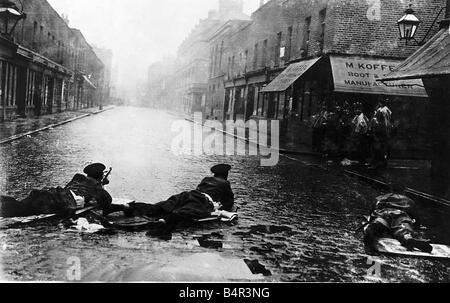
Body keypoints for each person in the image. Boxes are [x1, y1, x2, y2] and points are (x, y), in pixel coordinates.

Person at [124, 164, 235, 227]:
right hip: (203, 200)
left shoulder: (207, 179)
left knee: (166, 204)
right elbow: (229, 203)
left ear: (214, 174)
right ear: (226, 175)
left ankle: (131, 207)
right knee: (186, 212)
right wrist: (219, 207)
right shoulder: (225, 183)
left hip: (189, 194)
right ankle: (165, 221)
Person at [0, 163, 126, 218]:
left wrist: (98, 183)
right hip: (57, 202)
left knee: (20, 204)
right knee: (21, 210)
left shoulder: (78, 178)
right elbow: (107, 203)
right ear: (99, 176)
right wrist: (101, 186)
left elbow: (80, 188)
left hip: (52, 193)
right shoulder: (97, 188)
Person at [362, 183, 433, 253]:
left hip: (384, 213)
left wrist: (372, 219)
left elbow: (372, 210)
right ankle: (407, 237)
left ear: (391, 189)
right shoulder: (409, 201)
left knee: (380, 223)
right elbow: (416, 218)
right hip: (401, 215)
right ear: (404, 191)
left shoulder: (381, 197)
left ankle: (374, 228)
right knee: (403, 228)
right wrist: (415, 226)